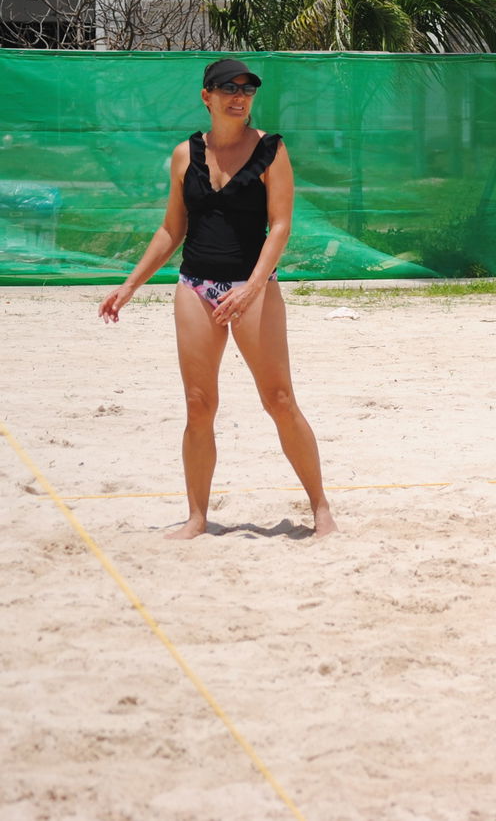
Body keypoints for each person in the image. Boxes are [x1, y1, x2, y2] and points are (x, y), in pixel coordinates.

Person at [98, 58, 337, 539]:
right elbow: (172, 230)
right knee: (199, 403)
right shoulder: (185, 155)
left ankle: (322, 510)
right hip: (195, 286)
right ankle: (197, 518)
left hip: (252, 287)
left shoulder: (271, 149)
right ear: (206, 96)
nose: (239, 95)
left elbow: (282, 226)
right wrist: (130, 285)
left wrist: (252, 287)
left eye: (247, 89)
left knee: (279, 398)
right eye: (228, 87)